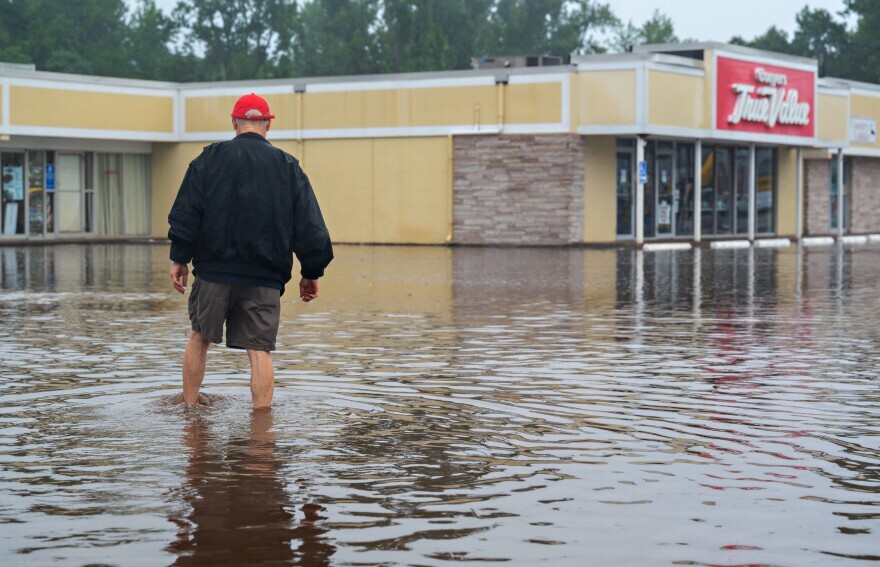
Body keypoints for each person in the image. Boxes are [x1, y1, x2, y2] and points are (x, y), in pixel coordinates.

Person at [168, 93, 333, 409]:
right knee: (260, 351)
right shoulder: (287, 166)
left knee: (199, 337)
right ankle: (261, 431)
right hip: (265, 276)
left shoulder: (208, 159)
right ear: (268, 124)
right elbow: (310, 225)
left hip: (214, 272)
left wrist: (180, 257)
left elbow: (186, 212)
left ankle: (189, 414)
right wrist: (311, 271)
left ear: (234, 123)